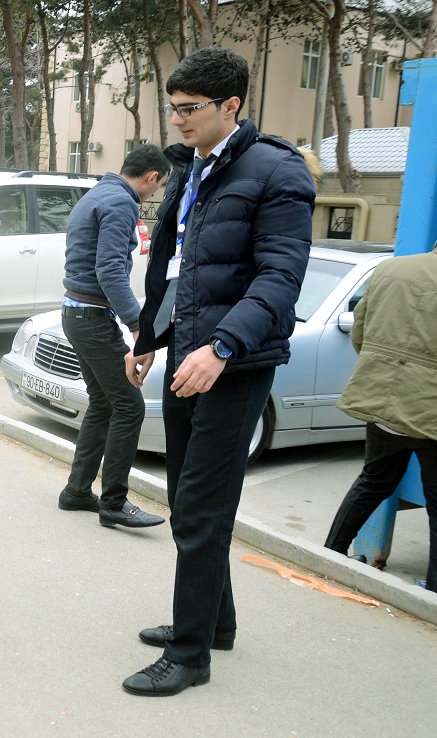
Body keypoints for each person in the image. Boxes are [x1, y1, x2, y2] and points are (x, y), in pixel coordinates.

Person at [122, 46, 315, 696]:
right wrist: (149, 337)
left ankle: (189, 656)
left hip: (235, 363)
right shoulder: (192, 167)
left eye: (190, 108)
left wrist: (223, 347)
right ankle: (215, 624)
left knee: (202, 510)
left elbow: (280, 276)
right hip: (188, 352)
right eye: (172, 107)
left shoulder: (275, 171)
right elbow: (175, 268)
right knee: (187, 501)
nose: (177, 119)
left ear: (231, 105)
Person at [58, 144, 171, 529]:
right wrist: (139, 328)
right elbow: (109, 271)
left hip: (75, 312)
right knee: (129, 407)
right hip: (91, 318)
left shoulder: (97, 194)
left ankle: (77, 492)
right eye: (159, 186)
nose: (155, 193)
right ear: (152, 177)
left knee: (104, 403)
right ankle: (114, 503)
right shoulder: (122, 203)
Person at [324, 240, 437, 593]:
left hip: (381, 396)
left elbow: (360, 331)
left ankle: (329, 554)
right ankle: (432, 592)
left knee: (373, 480)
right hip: (430, 412)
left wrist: (383, 369)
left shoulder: (390, 269)